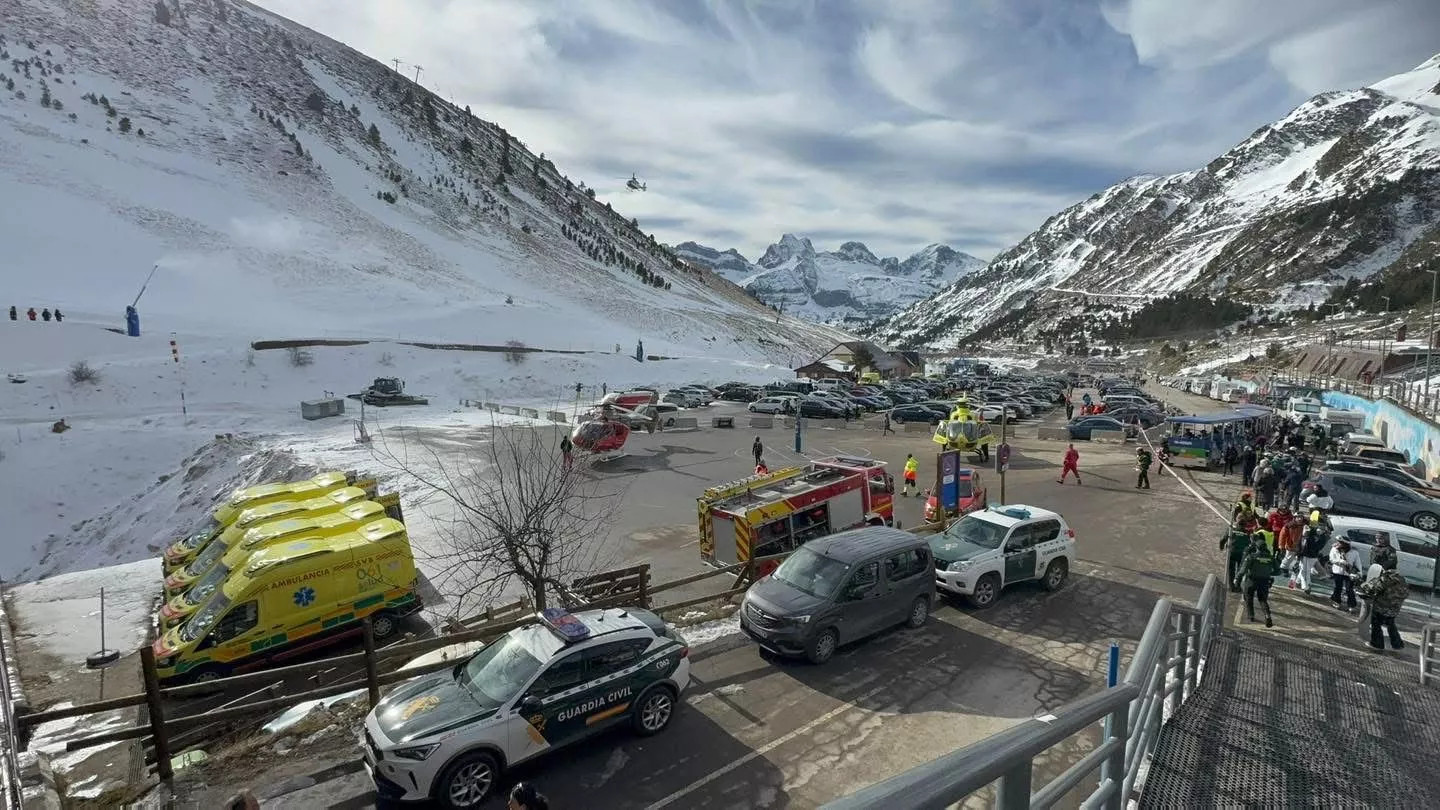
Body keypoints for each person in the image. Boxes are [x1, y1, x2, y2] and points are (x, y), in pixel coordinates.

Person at [1358, 562, 1408, 651]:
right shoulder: (1401, 579)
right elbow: (1406, 593)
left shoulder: (1385, 578)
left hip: (1381, 608)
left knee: (1376, 623)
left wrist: (1362, 585)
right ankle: (1397, 644)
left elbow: (1372, 588)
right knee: (1391, 624)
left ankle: (1377, 644)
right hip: (1394, 610)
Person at [1239, 533, 1275, 627]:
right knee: (1263, 599)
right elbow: (1278, 571)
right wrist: (1268, 573)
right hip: (1264, 581)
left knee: (1249, 597)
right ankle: (1267, 615)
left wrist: (1237, 579)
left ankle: (1251, 615)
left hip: (1252, 580)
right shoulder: (1270, 557)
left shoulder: (1251, 556)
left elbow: (1243, 569)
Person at [1329, 538, 1361, 611]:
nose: (1338, 543)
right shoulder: (1334, 549)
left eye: (1340, 542)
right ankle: (1336, 601)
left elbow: (1358, 563)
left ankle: (1352, 605)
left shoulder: (1354, 552)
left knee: (1349, 589)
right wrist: (1341, 561)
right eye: (1338, 541)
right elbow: (1331, 559)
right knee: (1338, 587)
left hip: (1349, 573)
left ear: (1345, 544)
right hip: (1337, 571)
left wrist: (1359, 573)